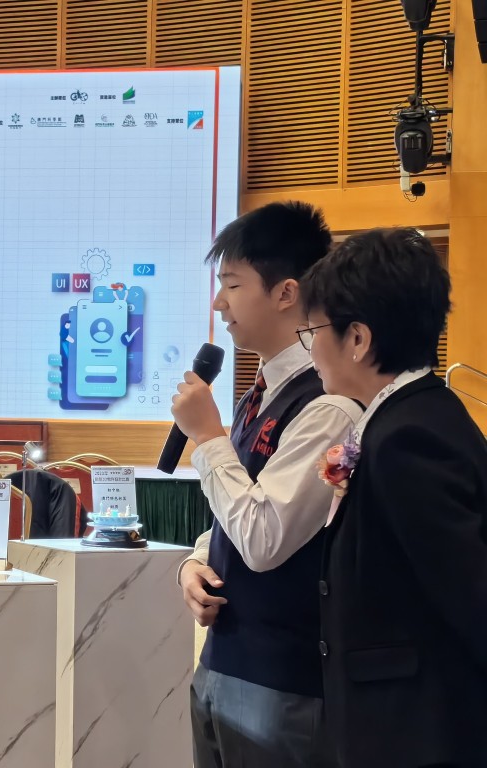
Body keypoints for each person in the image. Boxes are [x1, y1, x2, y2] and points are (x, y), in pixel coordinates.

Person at [171, 201, 362, 768]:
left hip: (283, 680)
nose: (219, 303)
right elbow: (240, 509)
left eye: (232, 284)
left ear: (285, 293)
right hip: (223, 660)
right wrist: (196, 561)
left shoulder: (329, 406)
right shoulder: (258, 395)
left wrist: (208, 438)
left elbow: (265, 537)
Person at [300, 228, 487, 768]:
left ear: (358, 339)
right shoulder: (405, 419)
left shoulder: (409, 437)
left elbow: (471, 596)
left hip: (418, 735)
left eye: (313, 331)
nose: (311, 349)